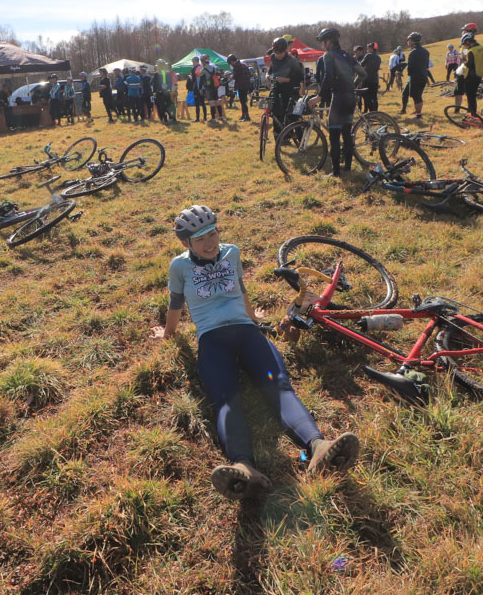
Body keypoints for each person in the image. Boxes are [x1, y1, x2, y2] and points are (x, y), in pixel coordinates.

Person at [150, 206, 360, 500]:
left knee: (279, 388)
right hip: (212, 341)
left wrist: (253, 316)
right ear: (186, 243)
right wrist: (168, 334)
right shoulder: (179, 267)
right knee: (225, 401)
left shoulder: (231, 252)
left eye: (213, 233)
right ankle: (244, 469)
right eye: (200, 239)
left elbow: (240, 287)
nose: (210, 243)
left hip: (247, 333)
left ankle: (318, 447)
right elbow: (175, 305)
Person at [317, 27, 366, 176]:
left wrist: (319, 97)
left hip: (338, 98)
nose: (321, 46)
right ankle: (348, 168)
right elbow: (363, 73)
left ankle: (336, 172)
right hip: (351, 97)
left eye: (322, 42)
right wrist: (353, 85)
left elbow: (328, 77)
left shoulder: (329, 55)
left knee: (334, 135)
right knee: (346, 133)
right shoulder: (346, 55)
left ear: (328, 41)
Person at [268, 37, 303, 130]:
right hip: (276, 88)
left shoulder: (292, 60)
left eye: (280, 53)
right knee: (275, 113)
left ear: (285, 50)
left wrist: (286, 79)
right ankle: (279, 137)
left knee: (292, 115)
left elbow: (299, 76)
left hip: (290, 90)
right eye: (276, 53)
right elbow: (270, 70)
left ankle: (299, 137)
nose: (278, 55)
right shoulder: (273, 58)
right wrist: (267, 75)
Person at [453, 33, 483, 115]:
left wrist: (462, 65)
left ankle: (473, 114)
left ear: (468, 42)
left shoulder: (472, 51)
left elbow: (469, 64)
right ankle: (472, 112)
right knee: (473, 94)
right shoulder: (481, 48)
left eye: (465, 44)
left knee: (471, 95)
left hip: (472, 75)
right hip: (480, 73)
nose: (465, 47)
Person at [401, 32, 430, 120]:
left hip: (415, 76)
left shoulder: (413, 53)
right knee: (417, 95)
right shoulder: (426, 51)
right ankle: (418, 112)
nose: (407, 42)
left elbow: (410, 67)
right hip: (423, 75)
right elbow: (426, 65)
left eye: (408, 40)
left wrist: (409, 74)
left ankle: (418, 115)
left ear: (412, 41)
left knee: (416, 96)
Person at [359, 43, 382, 113]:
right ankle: (375, 112)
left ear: (371, 48)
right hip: (375, 79)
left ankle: (371, 112)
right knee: (374, 97)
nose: (367, 50)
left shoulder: (368, 55)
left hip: (367, 79)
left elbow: (361, 65)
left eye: (368, 48)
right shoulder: (378, 57)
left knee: (366, 96)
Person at [230, 55, 252, 121]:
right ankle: (243, 115)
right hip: (246, 85)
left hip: (241, 86)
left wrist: (231, 77)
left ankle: (246, 116)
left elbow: (235, 76)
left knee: (243, 102)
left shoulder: (237, 66)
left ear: (232, 61)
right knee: (243, 101)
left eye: (230, 63)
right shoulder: (243, 64)